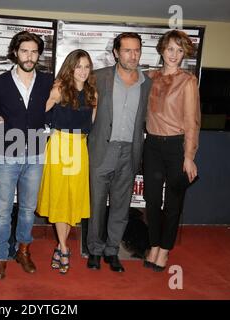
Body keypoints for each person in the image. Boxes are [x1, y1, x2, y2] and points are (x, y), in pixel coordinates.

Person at [86, 32, 152, 272]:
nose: (133, 55)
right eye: (127, 50)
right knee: (95, 205)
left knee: (121, 206)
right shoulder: (98, 78)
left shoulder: (147, 83)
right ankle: (94, 250)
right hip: (102, 149)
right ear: (116, 52)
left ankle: (112, 251)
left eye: (137, 50)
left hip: (130, 151)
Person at [0, 31, 54, 280]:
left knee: (28, 209)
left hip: (37, 152)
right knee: (3, 210)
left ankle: (23, 251)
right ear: (15, 52)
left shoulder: (49, 81)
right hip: (6, 153)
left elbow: (54, 110)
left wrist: (46, 127)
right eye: (24, 51)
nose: (29, 56)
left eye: (34, 51)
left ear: (39, 54)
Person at [143, 30, 201, 272]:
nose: (175, 54)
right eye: (170, 49)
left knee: (173, 202)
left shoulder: (188, 81)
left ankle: (165, 250)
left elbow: (192, 121)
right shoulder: (150, 77)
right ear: (162, 50)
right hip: (152, 146)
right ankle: (154, 244)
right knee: (152, 200)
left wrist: (189, 156)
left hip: (176, 147)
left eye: (180, 50)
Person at [36, 49, 97, 274]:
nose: (82, 71)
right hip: (60, 146)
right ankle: (63, 247)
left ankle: (61, 247)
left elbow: (91, 124)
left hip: (80, 149)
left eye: (86, 66)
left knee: (72, 199)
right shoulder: (59, 89)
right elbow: (38, 112)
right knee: (60, 198)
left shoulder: (93, 94)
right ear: (70, 67)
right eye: (78, 66)